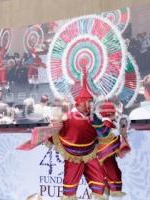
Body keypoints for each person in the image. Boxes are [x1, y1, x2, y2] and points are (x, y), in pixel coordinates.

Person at [46, 71, 106, 199]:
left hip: (90, 154)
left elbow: (104, 133)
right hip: (73, 157)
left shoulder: (94, 117)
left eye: (91, 102)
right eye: (87, 102)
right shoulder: (66, 117)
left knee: (100, 184)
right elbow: (51, 133)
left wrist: (96, 120)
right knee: (69, 188)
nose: (90, 105)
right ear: (78, 102)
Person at [92, 101, 128, 198]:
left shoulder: (107, 122)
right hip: (105, 151)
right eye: (113, 113)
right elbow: (107, 133)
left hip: (103, 152)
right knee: (111, 171)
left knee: (107, 173)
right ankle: (114, 191)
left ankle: (108, 191)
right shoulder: (107, 123)